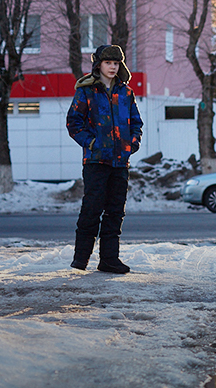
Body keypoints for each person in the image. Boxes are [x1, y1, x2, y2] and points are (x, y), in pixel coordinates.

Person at [66, 45, 143, 273]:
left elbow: (136, 122)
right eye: (108, 62)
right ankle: (81, 260)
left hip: (120, 162)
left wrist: (133, 143)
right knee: (92, 209)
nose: (112, 67)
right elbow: (74, 123)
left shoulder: (126, 93)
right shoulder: (87, 91)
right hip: (96, 161)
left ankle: (109, 260)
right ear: (98, 64)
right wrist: (91, 143)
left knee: (115, 211)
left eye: (116, 63)